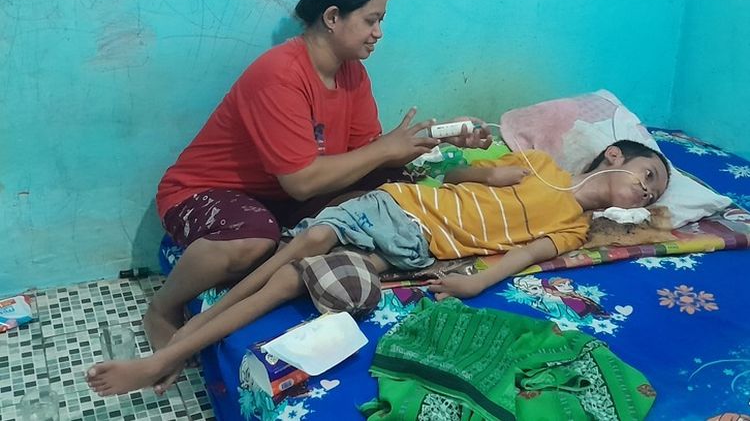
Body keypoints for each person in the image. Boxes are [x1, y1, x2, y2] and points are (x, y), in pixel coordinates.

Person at [87, 139, 669, 396]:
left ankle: (178, 344)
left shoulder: (573, 228)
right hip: (399, 205)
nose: (645, 192)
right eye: (646, 176)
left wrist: (475, 282)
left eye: (653, 193)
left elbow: (525, 256)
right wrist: (488, 173)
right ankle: (175, 347)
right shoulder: (539, 164)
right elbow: (451, 175)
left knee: (298, 279)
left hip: (414, 250)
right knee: (312, 238)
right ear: (613, 155)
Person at [145, 0, 491, 350]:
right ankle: (162, 309)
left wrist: (440, 136)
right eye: (371, 20)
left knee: (393, 190)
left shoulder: (351, 72)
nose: (378, 33)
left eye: (381, 20)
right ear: (332, 17)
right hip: (205, 192)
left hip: (279, 196)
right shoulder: (280, 74)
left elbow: (367, 155)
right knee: (254, 237)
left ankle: (283, 252)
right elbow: (301, 181)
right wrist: (384, 149)